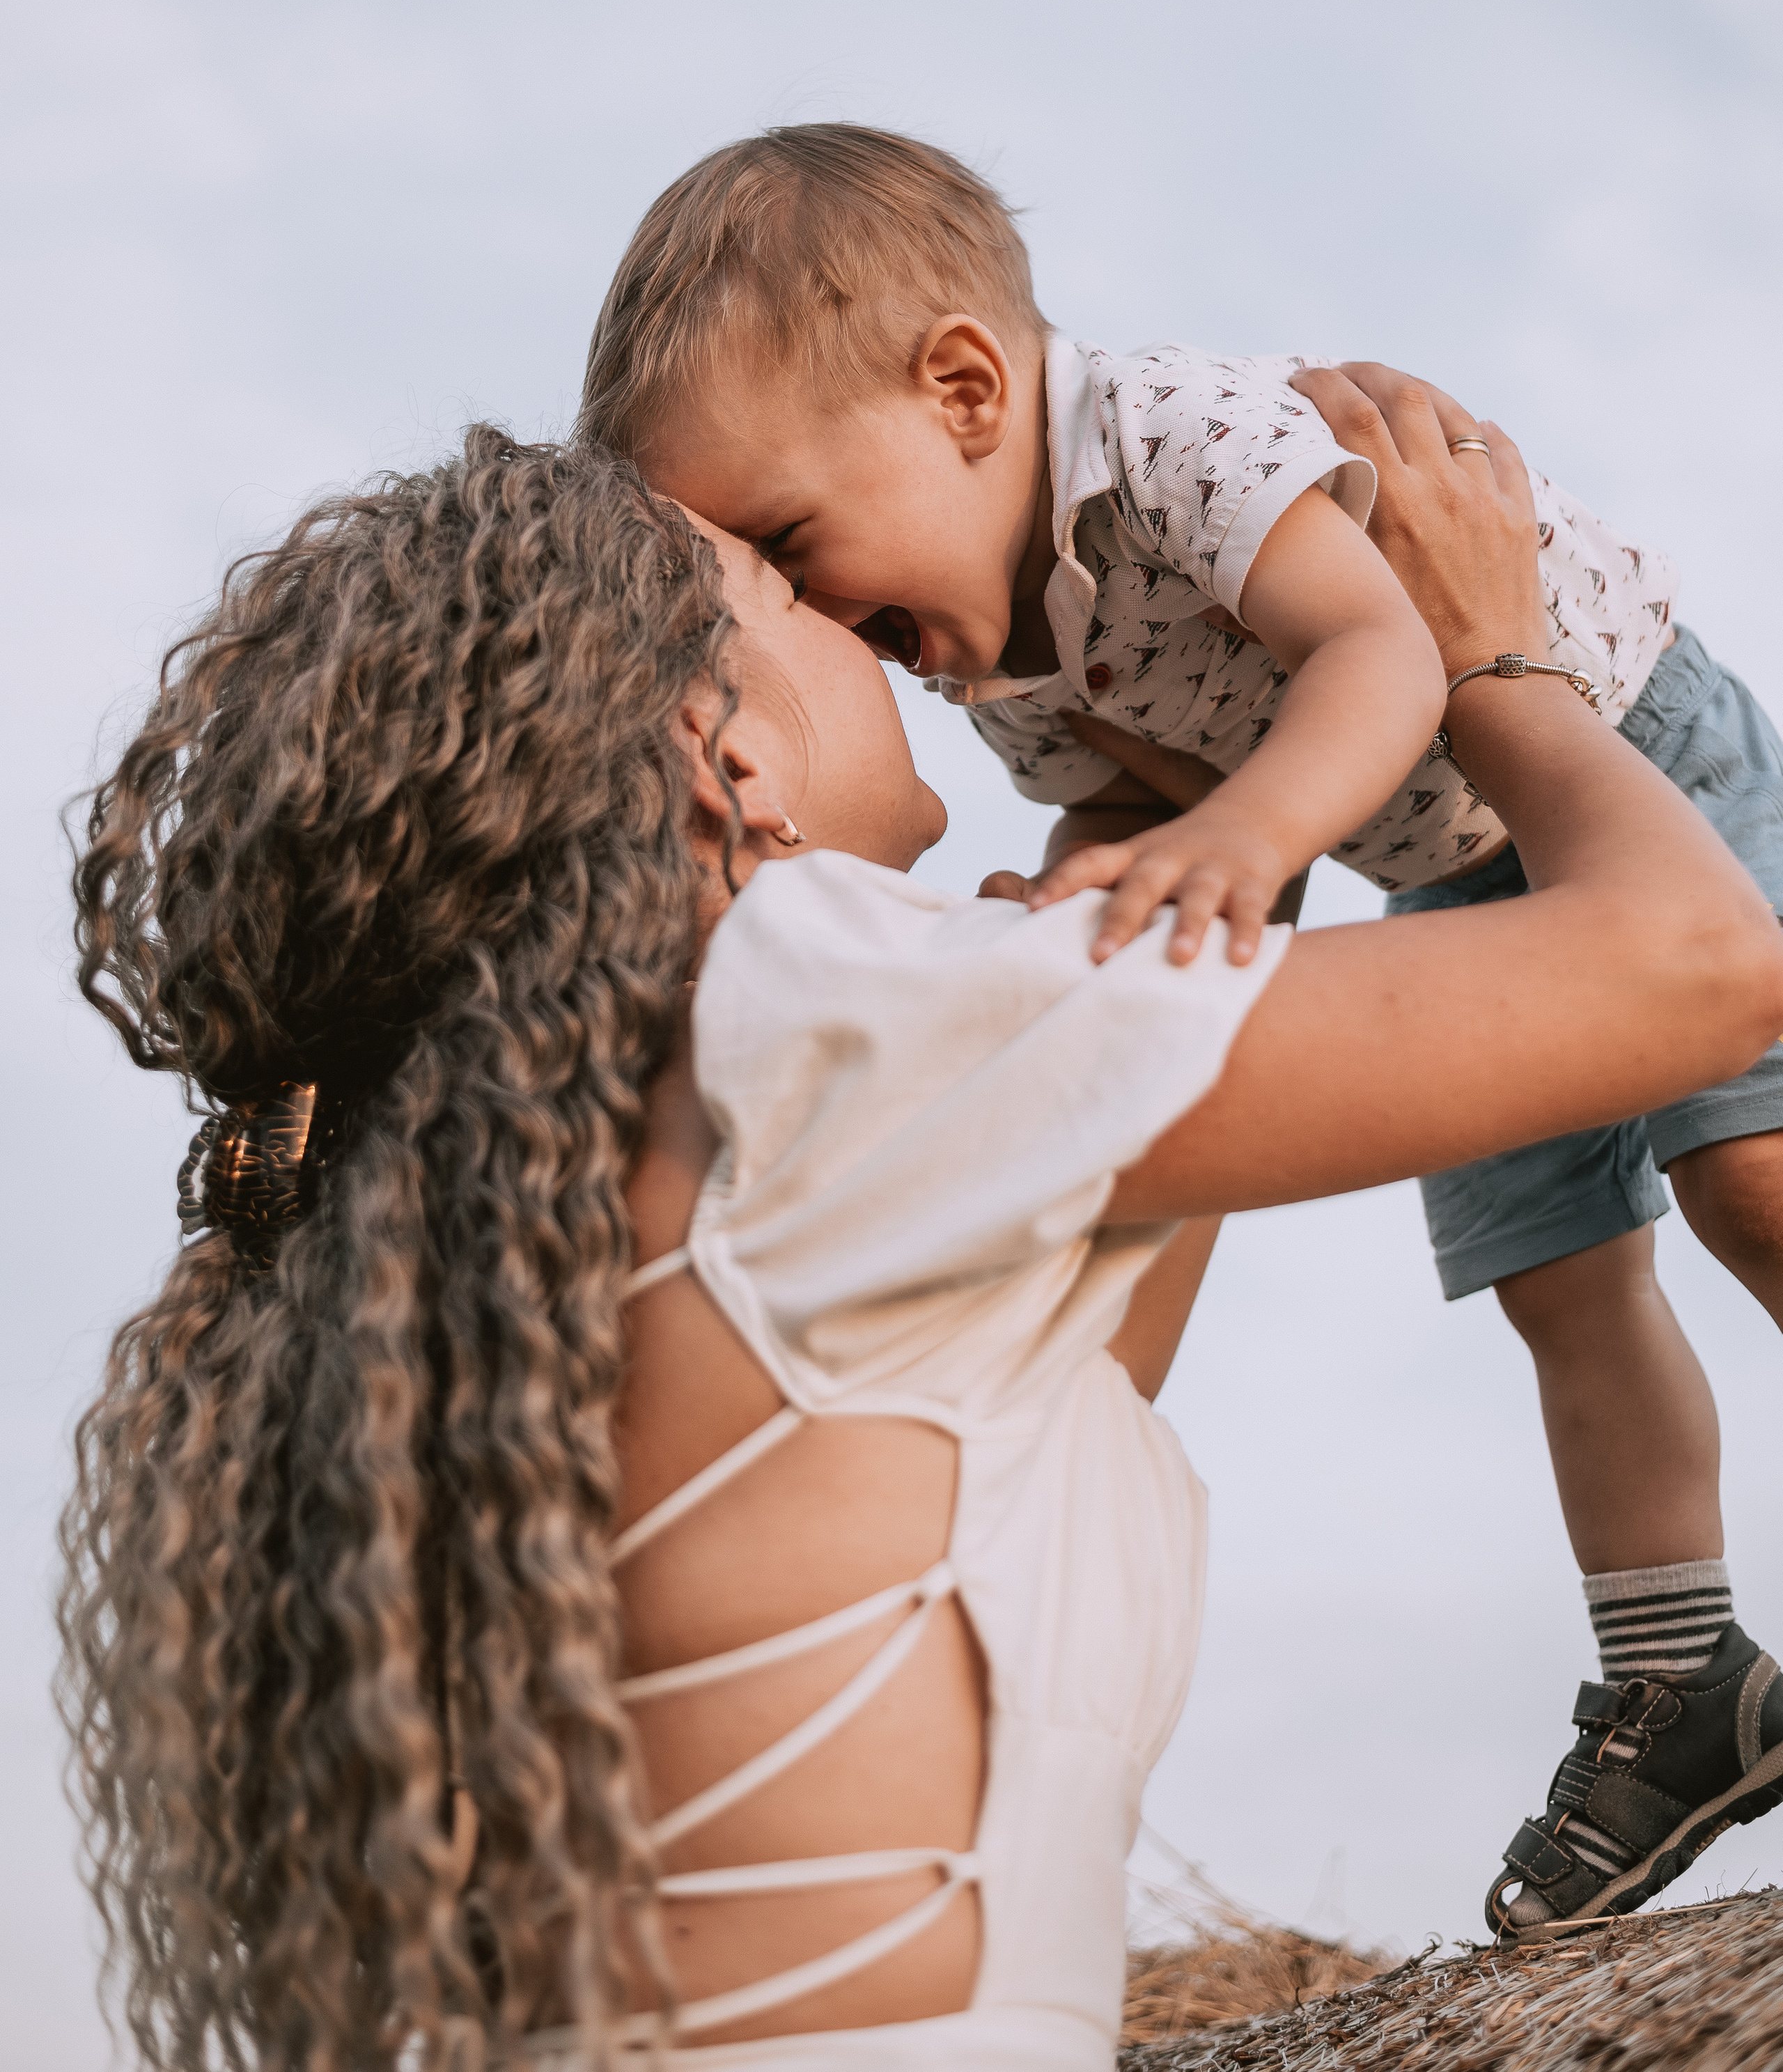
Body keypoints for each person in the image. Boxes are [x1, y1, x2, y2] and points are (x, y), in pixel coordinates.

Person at [60, 396, 1783, 2072]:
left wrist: (1204, 806)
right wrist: (1489, 658)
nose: (862, 624)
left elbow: (1068, 1386)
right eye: (784, 590)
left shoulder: (555, 1210)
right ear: (721, 749)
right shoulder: (806, 1014)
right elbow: (1698, 969)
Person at [579, 123, 1783, 1931]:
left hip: (1622, 742)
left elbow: (1380, 653)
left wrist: (1246, 836)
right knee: (1559, 1282)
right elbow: (1138, 803)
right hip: (1445, 860)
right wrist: (1088, 897)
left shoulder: (1167, 442)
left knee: (1748, 1181)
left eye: (786, 544)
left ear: (965, 389)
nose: (810, 613)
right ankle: (1678, 1675)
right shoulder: (994, 662)